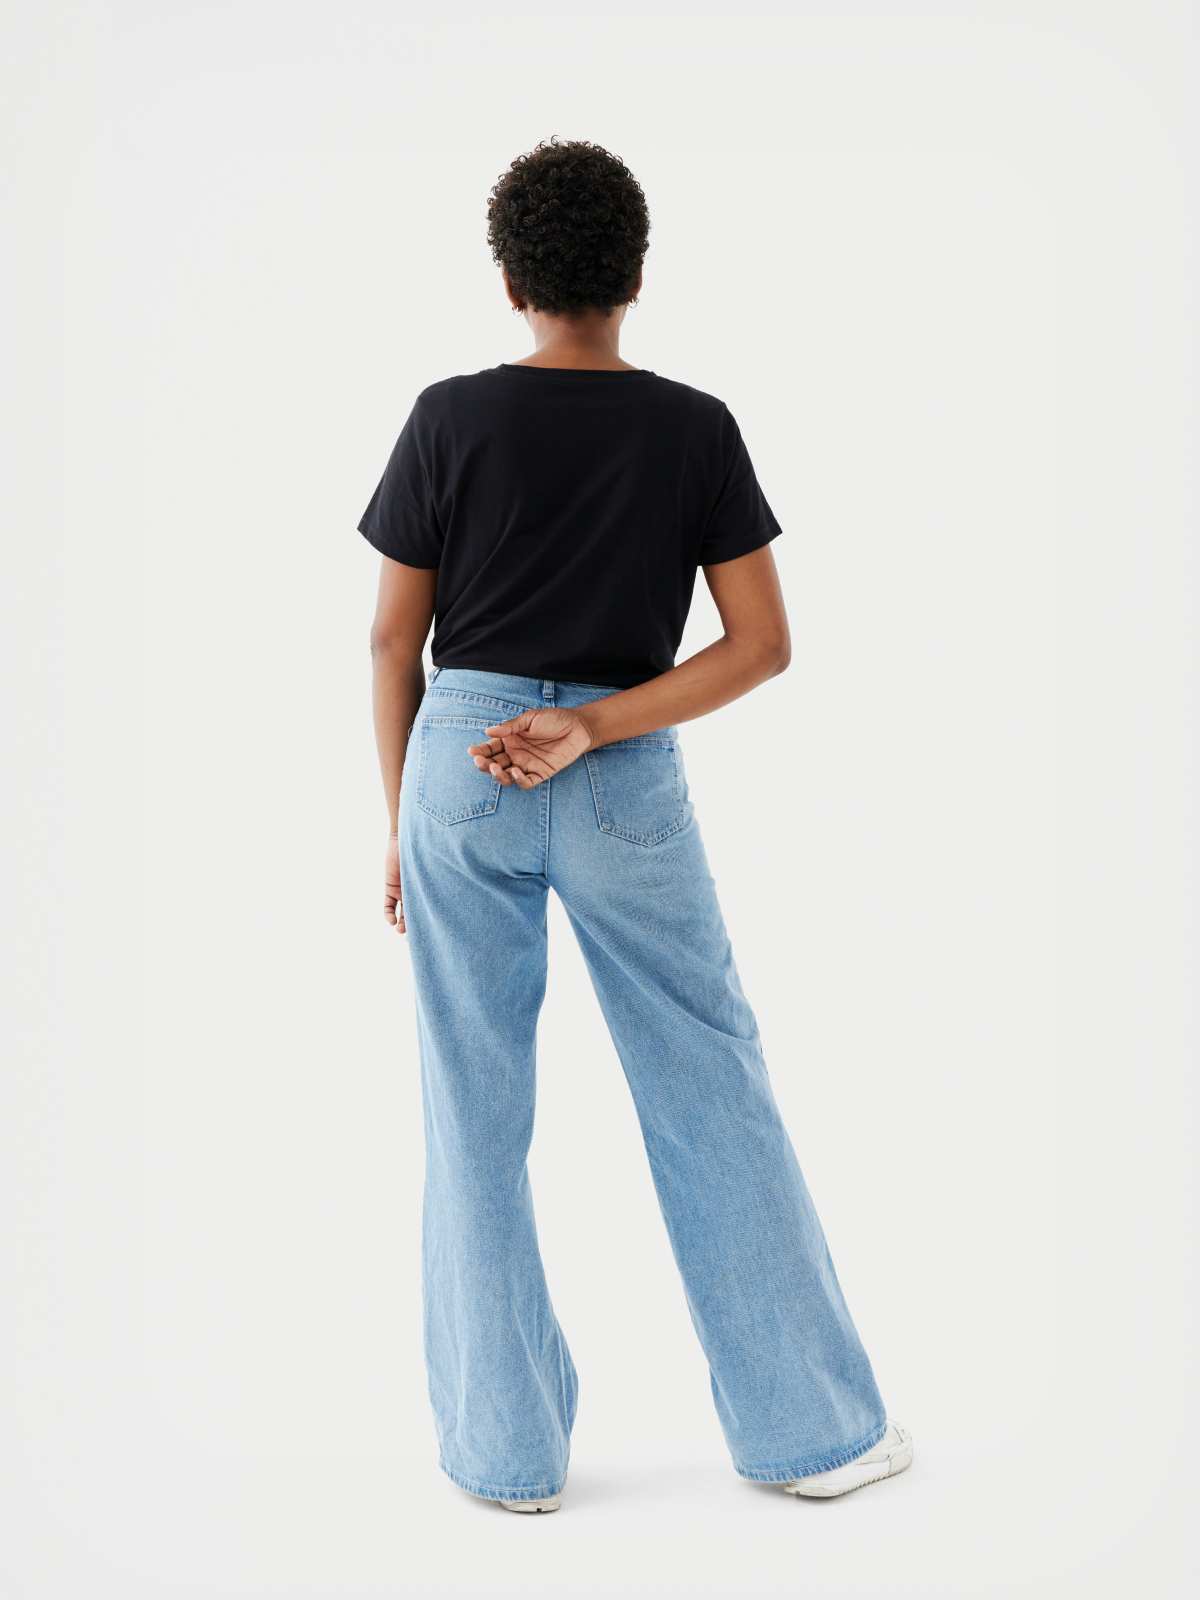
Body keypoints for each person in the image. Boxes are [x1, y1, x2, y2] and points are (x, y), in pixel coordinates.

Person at [358, 137, 911, 1513]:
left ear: (510, 282)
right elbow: (762, 645)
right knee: (709, 1085)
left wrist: (402, 822)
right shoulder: (693, 427)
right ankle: (816, 1439)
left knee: (471, 1103)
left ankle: (506, 1460)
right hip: (620, 771)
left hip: (461, 763)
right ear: (637, 276)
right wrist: (597, 724)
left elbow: (390, 643)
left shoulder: (447, 417)